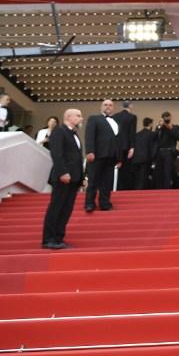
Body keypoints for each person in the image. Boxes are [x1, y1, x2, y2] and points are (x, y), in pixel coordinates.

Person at [41, 109, 84, 249]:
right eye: (78, 115)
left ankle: (58, 238)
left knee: (66, 209)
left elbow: (77, 158)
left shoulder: (75, 134)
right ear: (68, 117)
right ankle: (48, 239)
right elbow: (57, 154)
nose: (81, 118)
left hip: (74, 178)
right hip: (63, 177)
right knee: (56, 207)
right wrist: (63, 172)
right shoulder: (59, 131)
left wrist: (82, 177)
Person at [84, 99, 121, 212]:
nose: (108, 106)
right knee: (93, 180)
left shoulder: (116, 122)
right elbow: (89, 135)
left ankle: (105, 203)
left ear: (113, 108)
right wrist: (90, 151)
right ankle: (89, 203)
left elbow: (118, 140)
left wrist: (119, 157)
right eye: (105, 105)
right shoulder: (94, 118)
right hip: (97, 155)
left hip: (111, 156)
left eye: (110, 105)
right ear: (101, 107)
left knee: (107, 181)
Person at [112, 101, 137, 190]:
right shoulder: (132, 117)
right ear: (130, 106)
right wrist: (132, 147)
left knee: (116, 167)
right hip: (126, 145)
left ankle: (115, 187)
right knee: (126, 169)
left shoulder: (114, 116)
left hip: (116, 145)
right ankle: (124, 188)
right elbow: (132, 132)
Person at [154, 111, 179, 189]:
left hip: (169, 151)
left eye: (167, 117)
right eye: (164, 117)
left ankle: (167, 189)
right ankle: (159, 189)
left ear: (170, 117)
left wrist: (170, 128)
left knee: (167, 171)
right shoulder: (159, 127)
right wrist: (159, 126)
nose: (166, 119)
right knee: (159, 172)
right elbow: (154, 138)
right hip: (159, 152)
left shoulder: (176, 127)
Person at [133, 117, 156, 190]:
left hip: (136, 158)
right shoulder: (152, 134)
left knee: (137, 177)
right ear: (150, 124)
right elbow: (152, 148)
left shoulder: (137, 134)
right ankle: (140, 191)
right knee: (144, 177)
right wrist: (153, 159)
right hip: (146, 158)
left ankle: (136, 190)